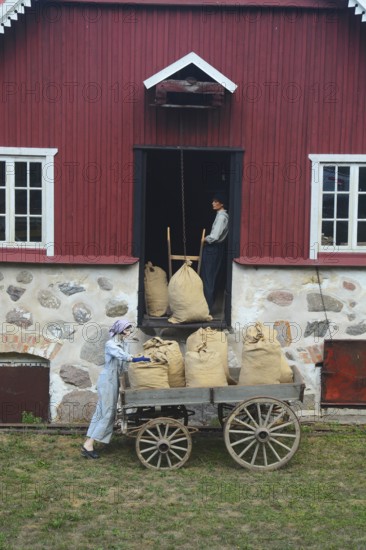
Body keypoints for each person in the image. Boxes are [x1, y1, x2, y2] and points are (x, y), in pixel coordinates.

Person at [81, 319, 150, 459]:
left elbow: (124, 365)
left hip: (115, 381)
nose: (129, 332)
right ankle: (89, 444)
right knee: (107, 413)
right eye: (128, 329)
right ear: (121, 330)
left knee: (102, 412)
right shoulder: (111, 344)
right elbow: (123, 357)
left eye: (130, 330)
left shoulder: (123, 343)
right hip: (107, 381)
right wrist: (138, 359)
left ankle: (89, 441)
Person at [200, 193, 229, 313]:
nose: (213, 203)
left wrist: (205, 239)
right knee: (211, 277)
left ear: (221, 203)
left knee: (208, 277)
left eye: (215, 201)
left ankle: (206, 308)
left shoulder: (222, 217)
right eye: (213, 201)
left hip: (213, 248)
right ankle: (207, 306)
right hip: (217, 249)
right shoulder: (221, 215)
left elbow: (215, 236)